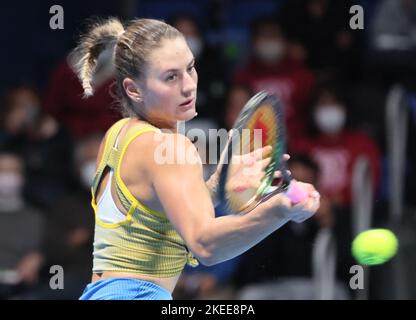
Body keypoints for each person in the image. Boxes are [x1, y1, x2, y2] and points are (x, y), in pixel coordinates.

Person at [71, 17, 320, 300]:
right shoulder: (171, 147)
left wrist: (216, 185)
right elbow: (205, 245)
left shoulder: (118, 136)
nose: (189, 86)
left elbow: (158, 209)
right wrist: (281, 210)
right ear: (133, 89)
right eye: (170, 77)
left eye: (190, 68)